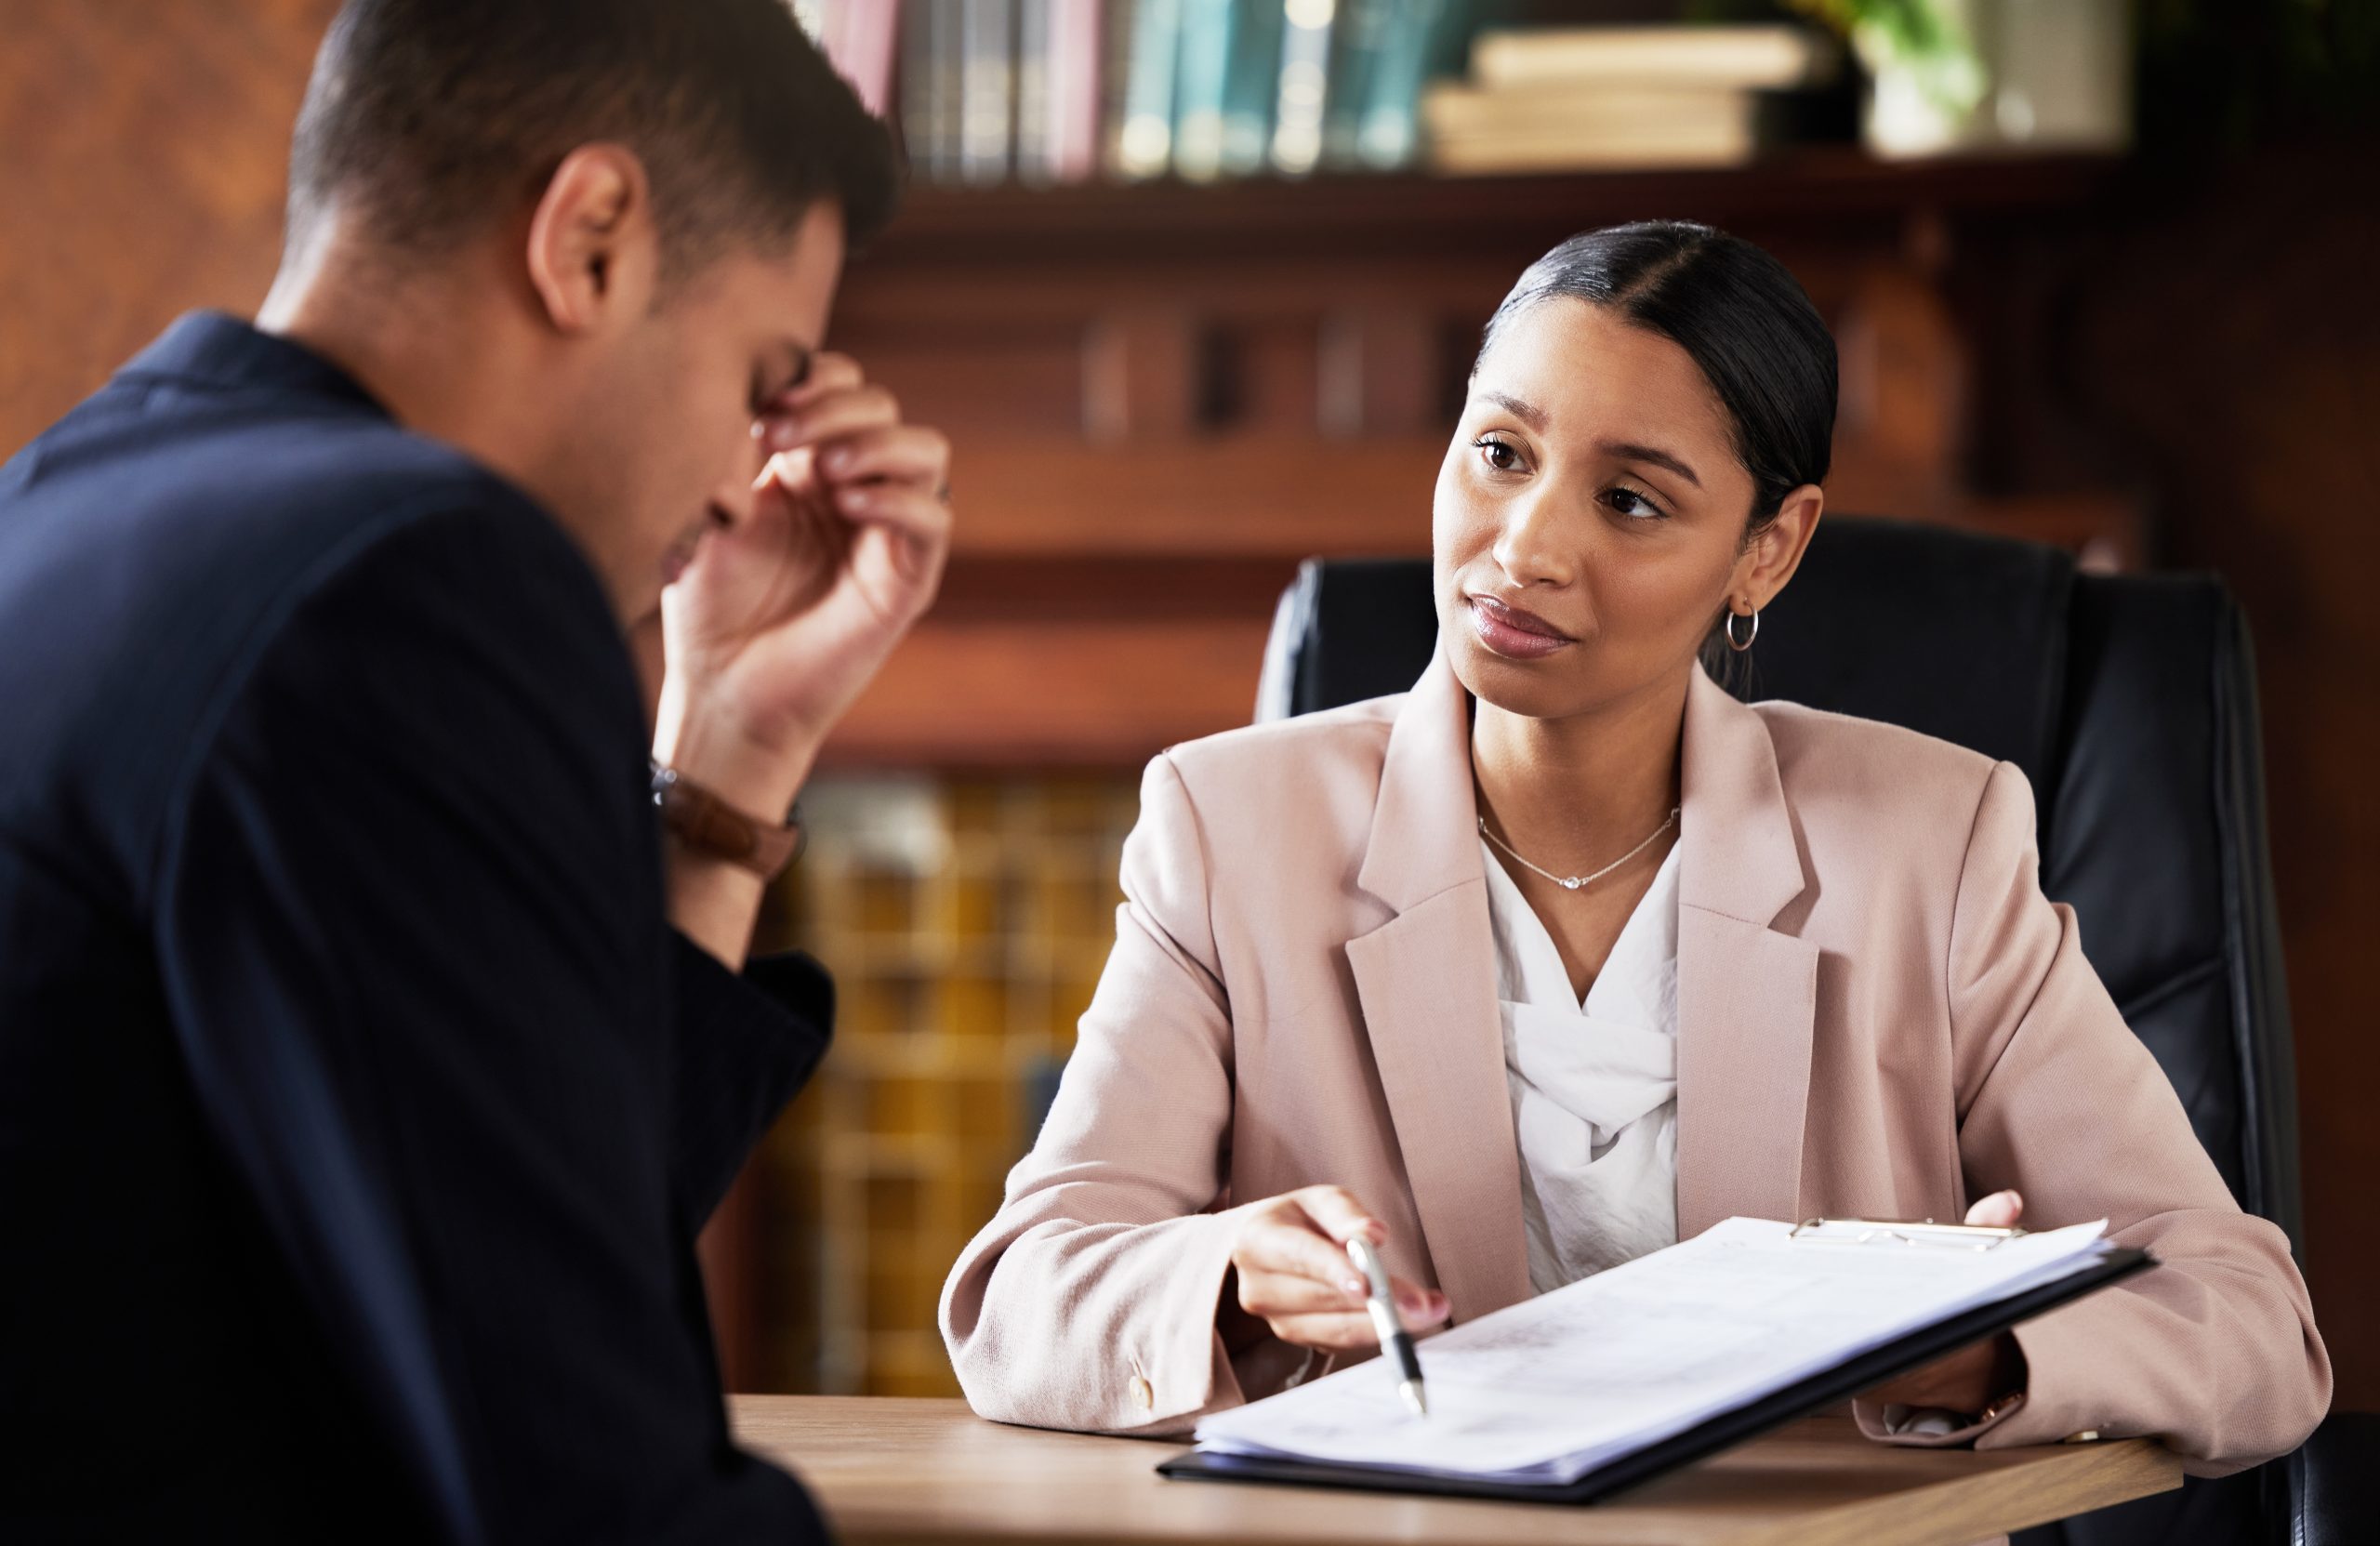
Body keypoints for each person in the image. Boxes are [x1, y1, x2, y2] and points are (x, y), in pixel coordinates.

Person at [940, 222, 2330, 1477]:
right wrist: (1225, 1276)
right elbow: (1022, 1300)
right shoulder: (1226, 825)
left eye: (1633, 501)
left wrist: (1966, 1351)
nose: (1525, 548)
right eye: (1500, 454)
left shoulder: (1933, 843)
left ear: (1768, 551)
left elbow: (2253, 1325)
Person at [0, 1, 949, 1539]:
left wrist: (732, 751)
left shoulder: (66, 501)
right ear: (590, 238)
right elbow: (587, 1486)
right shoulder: (409, 573)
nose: (736, 482)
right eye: (760, 377)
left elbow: (521, 1263)